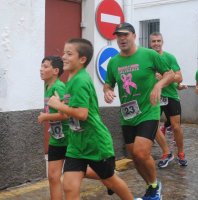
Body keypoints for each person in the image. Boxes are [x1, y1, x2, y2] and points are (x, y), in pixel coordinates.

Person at [47, 38, 141, 200]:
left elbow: (82, 113)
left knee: (111, 181)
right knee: (69, 186)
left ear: (82, 59)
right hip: (76, 145)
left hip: (95, 144)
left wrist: (58, 105)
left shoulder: (81, 80)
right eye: (63, 52)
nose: (64, 57)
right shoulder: (70, 80)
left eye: (69, 54)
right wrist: (62, 103)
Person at [104, 22, 175, 200]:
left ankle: (155, 187)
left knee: (141, 152)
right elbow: (108, 84)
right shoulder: (114, 62)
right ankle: (151, 186)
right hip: (128, 115)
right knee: (134, 156)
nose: (121, 38)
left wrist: (158, 85)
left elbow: (170, 74)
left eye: (125, 34)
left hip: (148, 111)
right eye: (118, 35)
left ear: (134, 36)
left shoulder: (149, 54)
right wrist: (107, 91)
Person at [149, 32, 188, 168]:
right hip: (155, 96)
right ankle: (166, 153)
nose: (156, 44)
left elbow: (179, 77)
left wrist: (166, 78)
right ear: (150, 43)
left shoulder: (169, 57)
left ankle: (181, 153)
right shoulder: (147, 58)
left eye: (158, 41)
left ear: (162, 42)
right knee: (153, 126)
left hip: (170, 96)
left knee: (176, 127)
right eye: (153, 41)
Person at [38, 56, 68, 200]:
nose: (41, 69)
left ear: (55, 71)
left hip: (69, 138)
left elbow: (66, 114)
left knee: (77, 171)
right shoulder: (47, 85)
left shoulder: (59, 87)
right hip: (56, 138)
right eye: (41, 66)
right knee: (53, 176)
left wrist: (45, 117)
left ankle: (107, 176)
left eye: (45, 66)